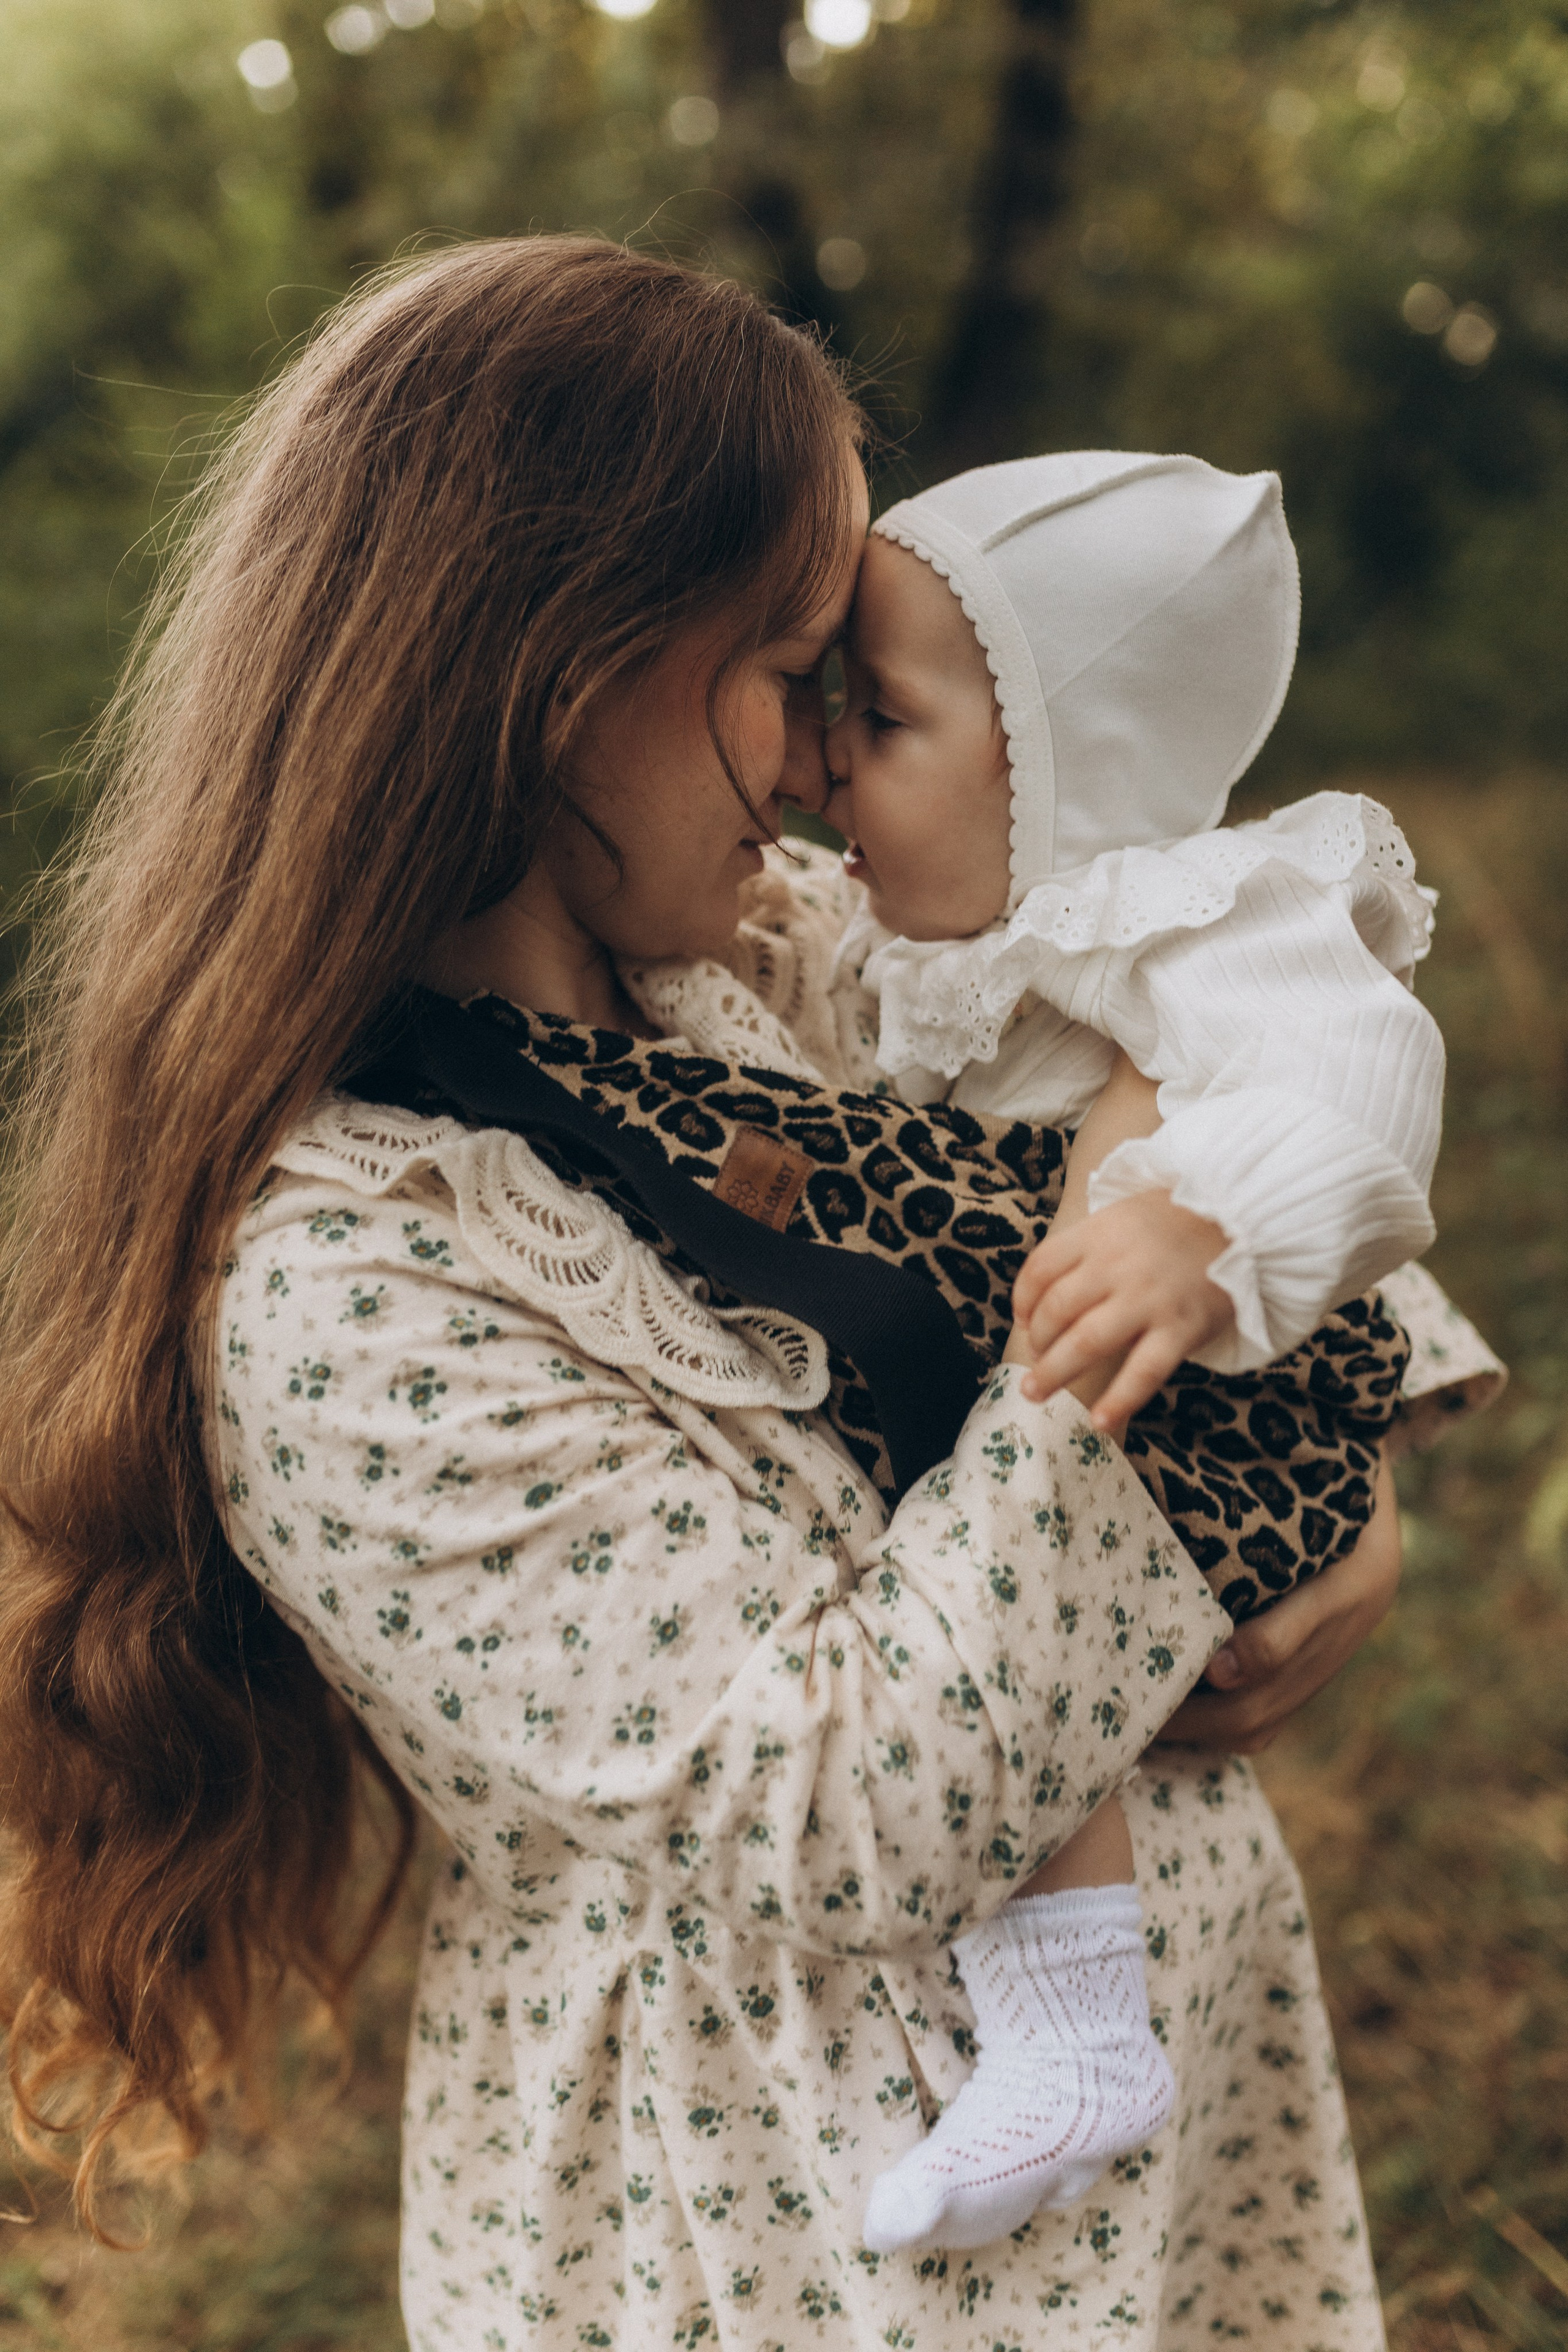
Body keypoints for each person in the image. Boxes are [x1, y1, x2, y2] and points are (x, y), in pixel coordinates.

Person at [0, 238, 1495, 2352]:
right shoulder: (341, 1281)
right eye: (794, 671)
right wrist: (1170, 1373)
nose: (818, 766)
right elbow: (856, 1800)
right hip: (787, 2229)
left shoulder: (770, 960)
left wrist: (1355, 1484)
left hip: (1172, 2125)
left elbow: (1210, 1057)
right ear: (554, 668)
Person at [815, 452, 1483, 2253]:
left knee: (1029, 1647)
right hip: (1042, 1391)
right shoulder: (935, 940)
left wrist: (1203, 1222)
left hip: (1170, 1380)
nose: (825, 767)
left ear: (1063, 760)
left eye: (879, 718)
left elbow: (1364, 1075)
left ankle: (1076, 2024)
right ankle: (1072, 2023)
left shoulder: (1197, 912)